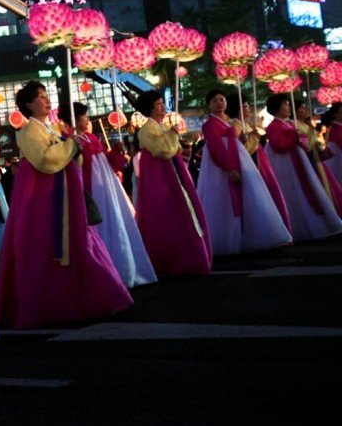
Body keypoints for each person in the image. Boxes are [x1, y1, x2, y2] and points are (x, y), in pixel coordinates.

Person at [0, 82, 132, 329]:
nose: (46, 101)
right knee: (49, 247)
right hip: (42, 201)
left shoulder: (53, 128)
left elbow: (71, 159)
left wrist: (72, 145)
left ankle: (91, 296)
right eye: (40, 97)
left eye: (47, 96)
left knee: (78, 243)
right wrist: (70, 145)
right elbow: (46, 160)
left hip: (66, 196)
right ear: (28, 104)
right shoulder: (27, 132)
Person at [62, 102, 155, 288]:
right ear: (74, 118)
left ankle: (123, 268)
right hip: (90, 189)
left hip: (107, 189)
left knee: (115, 222)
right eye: (84, 116)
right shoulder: (68, 141)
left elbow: (106, 164)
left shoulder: (91, 138)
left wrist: (116, 153)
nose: (87, 119)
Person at [197, 89, 292, 256]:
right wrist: (229, 168)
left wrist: (240, 141)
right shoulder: (210, 125)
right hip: (220, 168)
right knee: (223, 201)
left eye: (222, 100)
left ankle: (244, 236)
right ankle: (227, 240)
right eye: (215, 101)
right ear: (208, 105)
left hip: (238, 159)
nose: (219, 104)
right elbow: (216, 148)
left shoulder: (228, 122)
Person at [133, 90, 212, 276]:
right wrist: (172, 134)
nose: (162, 106)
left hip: (172, 174)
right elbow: (165, 150)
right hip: (160, 178)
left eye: (162, 102)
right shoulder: (146, 129)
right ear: (150, 107)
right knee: (168, 213)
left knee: (180, 212)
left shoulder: (159, 127)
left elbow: (174, 148)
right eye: (158, 103)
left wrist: (171, 135)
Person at [262, 94, 342, 241]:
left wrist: (300, 138)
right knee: (294, 193)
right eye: (285, 104)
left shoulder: (290, 124)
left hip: (297, 161)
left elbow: (304, 144)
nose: (288, 107)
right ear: (277, 107)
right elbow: (279, 145)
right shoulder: (273, 126)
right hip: (285, 166)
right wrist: (295, 137)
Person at [225, 94, 290, 232]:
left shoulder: (243, 125)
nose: (248, 108)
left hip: (260, 163)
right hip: (252, 166)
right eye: (245, 106)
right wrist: (254, 137)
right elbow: (243, 151)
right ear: (238, 108)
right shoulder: (235, 126)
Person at [296, 101, 342, 217]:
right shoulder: (336, 129)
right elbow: (307, 145)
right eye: (302, 107)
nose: (306, 110)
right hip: (311, 160)